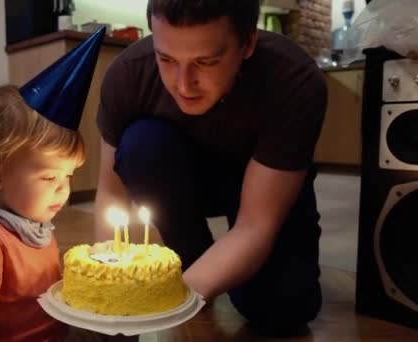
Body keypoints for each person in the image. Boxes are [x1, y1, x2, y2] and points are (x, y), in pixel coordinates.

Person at [95, 0, 327, 336]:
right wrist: (109, 286)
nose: (184, 84)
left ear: (247, 43)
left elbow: (256, 224)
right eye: (167, 59)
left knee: (282, 310)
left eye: (206, 62)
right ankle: (193, 259)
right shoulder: (128, 74)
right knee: (140, 144)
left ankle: (216, 277)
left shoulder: (294, 79)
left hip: (266, 186)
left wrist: (170, 300)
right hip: (182, 178)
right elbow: (111, 191)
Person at [0, 29, 105, 342]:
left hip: (54, 332)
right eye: (49, 177)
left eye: (67, 176)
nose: (63, 189)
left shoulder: (30, 221)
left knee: (119, 330)